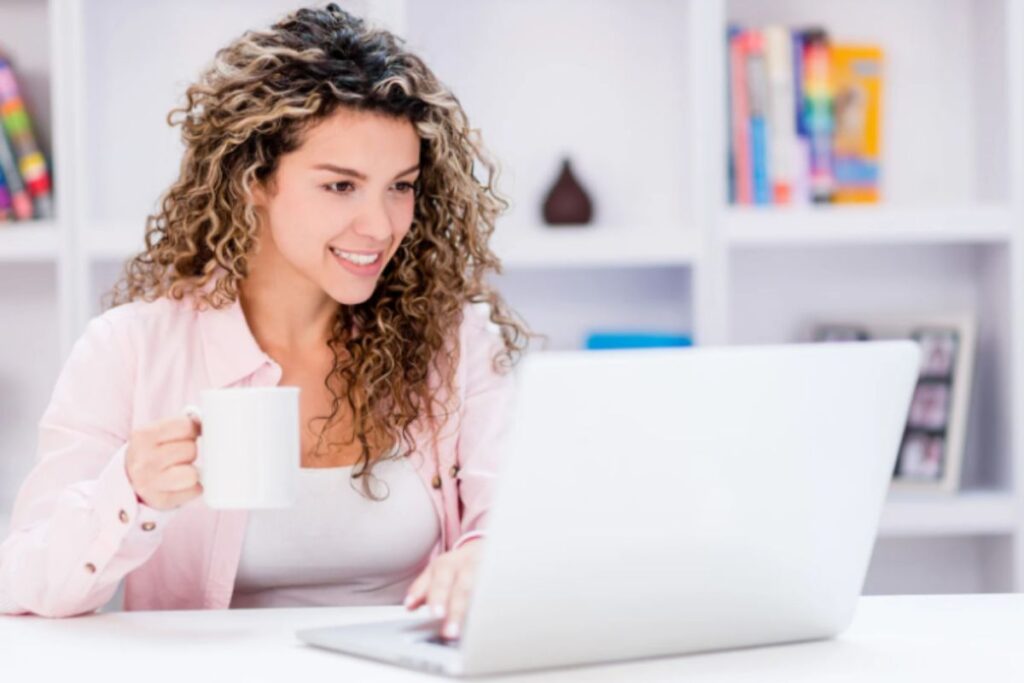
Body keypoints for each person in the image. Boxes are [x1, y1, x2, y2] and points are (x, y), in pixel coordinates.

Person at [0, 4, 531, 642]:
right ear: (255, 179)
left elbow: (514, 522)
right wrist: (130, 493)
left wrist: (487, 559)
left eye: (401, 186)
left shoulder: (456, 341)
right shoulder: (131, 348)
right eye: (341, 186)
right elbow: (23, 582)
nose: (382, 225)